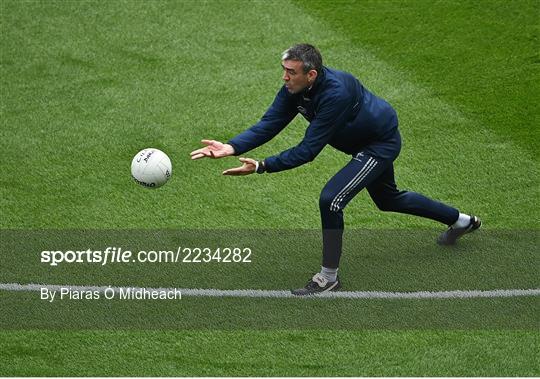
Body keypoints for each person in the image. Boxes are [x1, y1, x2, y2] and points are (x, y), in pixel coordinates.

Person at [190, 43, 481, 296]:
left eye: (291, 72)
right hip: (362, 142)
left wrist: (263, 166)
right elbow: (270, 123)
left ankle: (328, 278)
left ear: (311, 74)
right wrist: (232, 147)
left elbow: (308, 151)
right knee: (388, 199)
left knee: (331, 199)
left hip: (378, 144)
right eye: (284, 69)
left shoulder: (336, 94)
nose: (284, 77)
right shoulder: (295, 88)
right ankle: (462, 221)